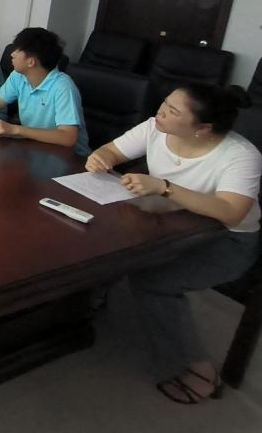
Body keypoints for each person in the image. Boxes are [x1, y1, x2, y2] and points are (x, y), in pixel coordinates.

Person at [85, 84, 260, 403]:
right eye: (165, 103)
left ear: (202, 128)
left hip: (226, 239)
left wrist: (165, 188)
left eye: (172, 111)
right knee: (103, 237)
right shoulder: (155, 127)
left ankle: (191, 366)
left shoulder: (240, 155)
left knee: (153, 282)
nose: (160, 112)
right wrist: (100, 158)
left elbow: (231, 212)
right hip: (172, 222)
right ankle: (87, 299)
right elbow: (112, 151)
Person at [0, 27, 89, 155]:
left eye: (17, 51)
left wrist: (16, 130)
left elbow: (67, 137)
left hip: (71, 158)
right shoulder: (19, 76)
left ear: (31, 62)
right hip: (35, 149)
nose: (12, 54)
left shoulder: (63, 87)